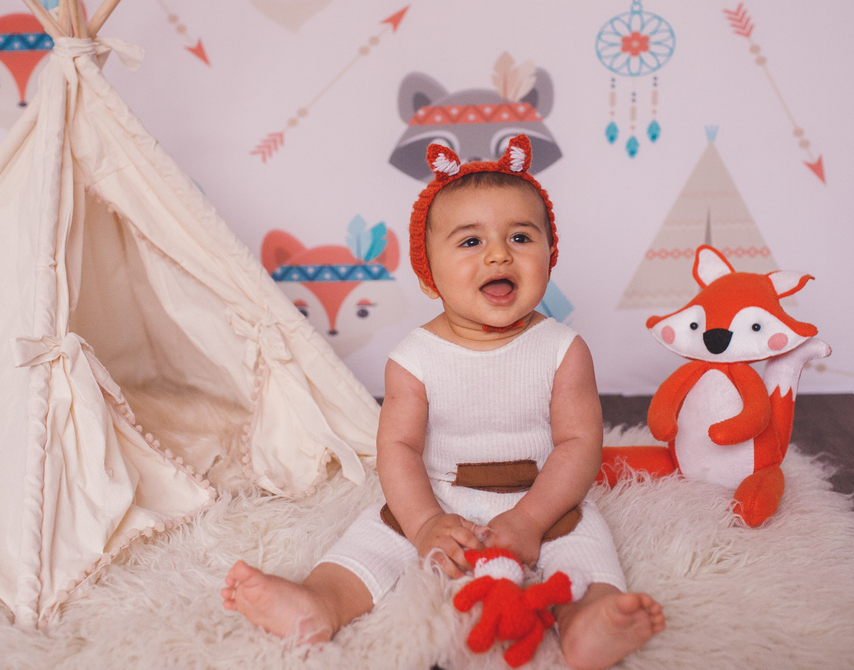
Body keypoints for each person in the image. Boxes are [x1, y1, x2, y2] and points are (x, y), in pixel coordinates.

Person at [223, 136, 664, 669]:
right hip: (440, 495)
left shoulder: (562, 350)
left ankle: (587, 620)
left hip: (541, 496)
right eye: (471, 241)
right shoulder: (415, 358)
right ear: (428, 275)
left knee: (584, 541)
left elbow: (579, 444)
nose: (499, 253)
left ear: (550, 256)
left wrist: (530, 519)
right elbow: (400, 449)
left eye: (521, 236)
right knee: (373, 537)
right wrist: (425, 523)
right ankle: (320, 601)